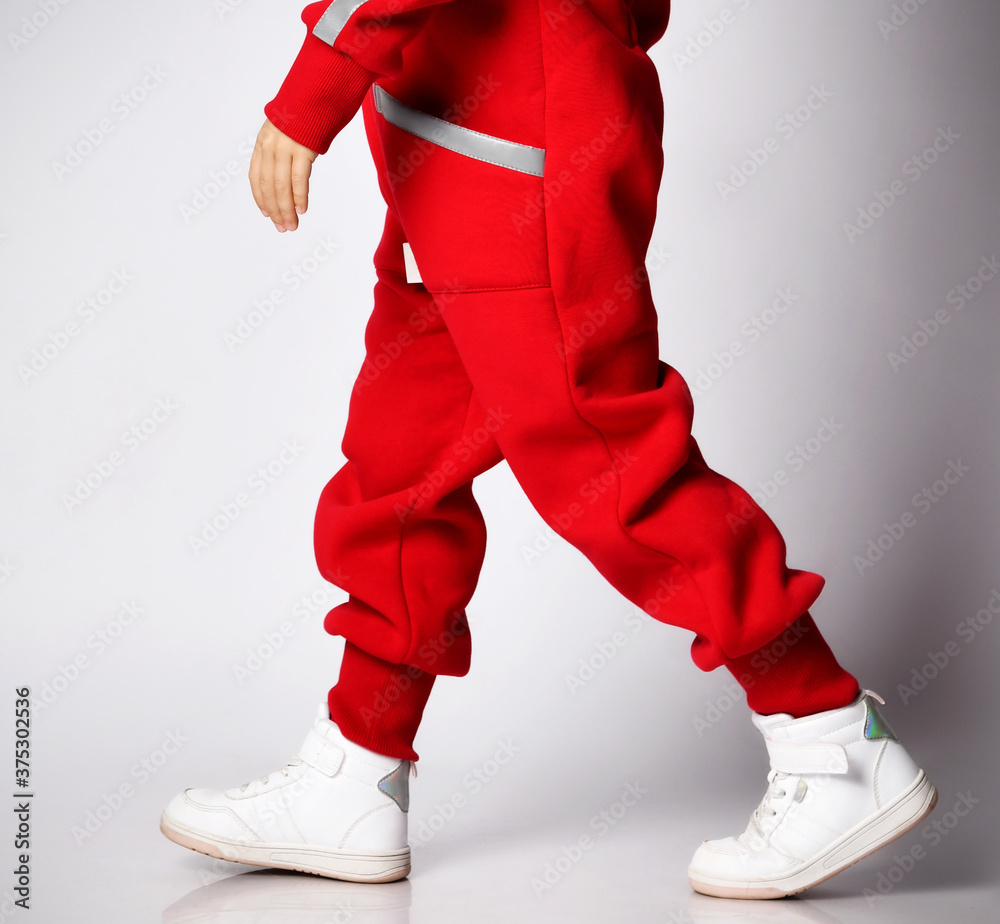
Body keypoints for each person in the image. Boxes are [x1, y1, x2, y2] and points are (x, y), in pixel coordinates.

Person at [160, 0, 937, 897]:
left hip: (514, 146)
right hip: (455, 141)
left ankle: (832, 738)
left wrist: (310, 93)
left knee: (607, 462)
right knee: (400, 470)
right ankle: (356, 771)